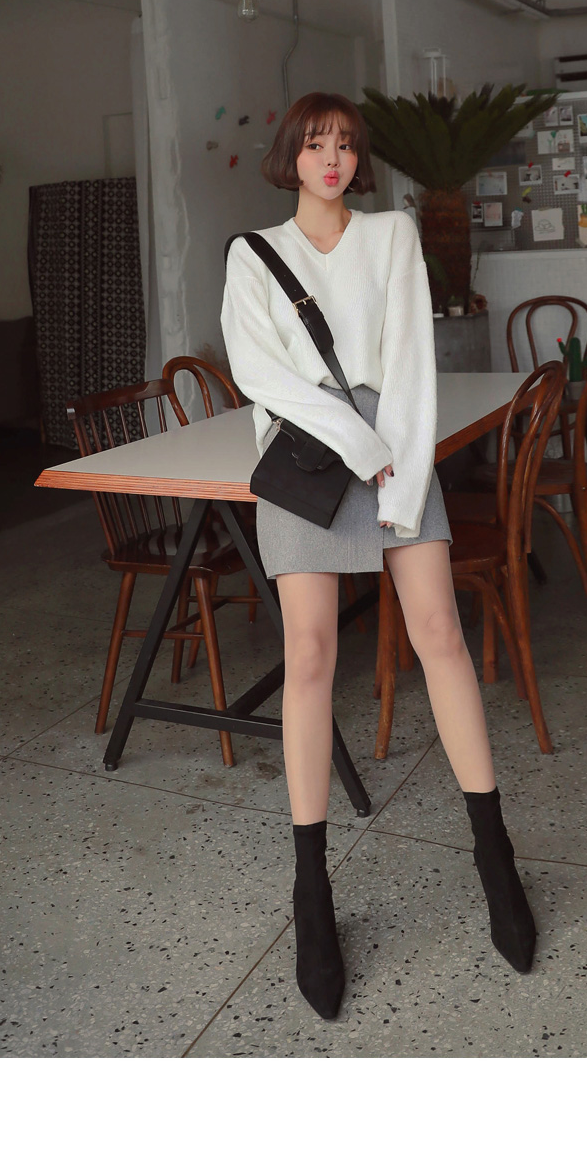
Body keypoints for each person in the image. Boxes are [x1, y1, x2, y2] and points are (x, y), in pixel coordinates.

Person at [222, 94, 537, 1018]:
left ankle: (495, 855)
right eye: (315, 142)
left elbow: (410, 361)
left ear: (360, 159)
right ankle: (311, 889)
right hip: (305, 454)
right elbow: (259, 372)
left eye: (346, 145)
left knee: (440, 630)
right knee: (310, 654)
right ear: (290, 153)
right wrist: (357, 446)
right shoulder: (253, 252)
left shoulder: (393, 233)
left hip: (396, 442)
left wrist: (397, 469)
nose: (332, 157)